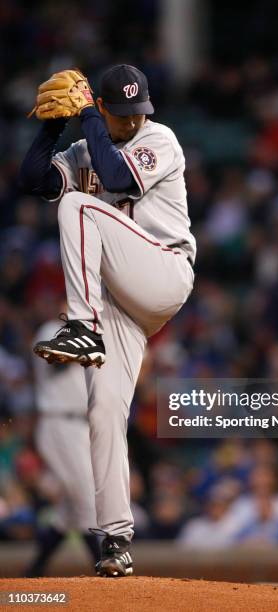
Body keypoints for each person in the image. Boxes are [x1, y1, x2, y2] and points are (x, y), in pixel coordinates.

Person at [19, 64, 196, 576]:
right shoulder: (86, 147)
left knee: (78, 205)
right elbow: (32, 180)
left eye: (134, 111)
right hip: (123, 304)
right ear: (102, 108)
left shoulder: (160, 138)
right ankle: (115, 539)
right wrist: (54, 126)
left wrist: (91, 117)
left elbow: (117, 177)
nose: (129, 120)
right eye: (119, 113)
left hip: (163, 270)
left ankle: (83, 325)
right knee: (103, 411)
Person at [25, 315, 100, 577]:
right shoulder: (51, 327)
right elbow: (55, 359)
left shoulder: (91, 330)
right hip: (59, 422)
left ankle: (33, 572)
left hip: (79, 425)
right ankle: (104, 572)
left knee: (71, 509)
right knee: (89, 499)